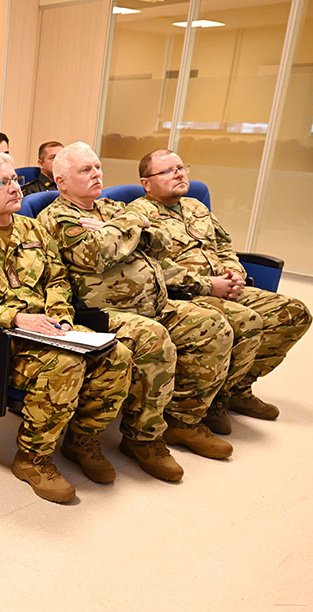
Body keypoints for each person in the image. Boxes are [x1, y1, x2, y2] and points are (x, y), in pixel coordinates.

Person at [0, 153, 131, 502]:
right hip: (1, 341)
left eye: (15, 180)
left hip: (49, 327)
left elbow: (58, 280)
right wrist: (14, 318)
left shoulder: (33, 229)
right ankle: (32, 458)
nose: (14, 188)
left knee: (118, 355)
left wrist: (61, 317)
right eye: (2, 183)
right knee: (66, 364)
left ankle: (82, 440)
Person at [37, 142, 234, 470]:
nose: (96, 174)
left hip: (154, 302)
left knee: (213, 326)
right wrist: (131, 226)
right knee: (154, 338)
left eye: (97, 167)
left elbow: (162, 243)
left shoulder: (112, 207)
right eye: (85, 170)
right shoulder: (57, 217)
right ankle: (142, 439)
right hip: (103, 313)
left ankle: (184, 420)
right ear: (62, 182)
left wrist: (115, 230)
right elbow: (97, 255)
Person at [128, 149, 312, 433]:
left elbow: (224, 246)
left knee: (294, 313)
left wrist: (235, 273)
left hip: (223, 286)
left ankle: (236, 389)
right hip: (184, 294)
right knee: (248, 323)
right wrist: (208, 285)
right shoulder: (138, 215)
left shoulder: (196, 207)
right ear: (146, 183)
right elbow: (151, 266)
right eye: (167, 171)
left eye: (181, 167)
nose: (178, 174)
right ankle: (211, 403)